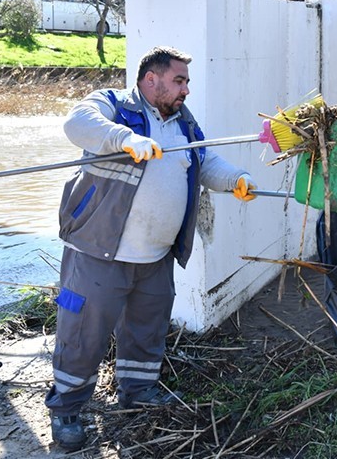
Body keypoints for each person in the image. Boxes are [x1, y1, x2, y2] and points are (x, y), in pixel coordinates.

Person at [45, 46, 258, 451]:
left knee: (147, 330)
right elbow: (77, 123)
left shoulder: (183, 122)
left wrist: (235, 179)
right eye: (179, 81)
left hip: (156, 257)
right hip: (100, 251)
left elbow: (202, 160)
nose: (186, 90)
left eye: (187, 82)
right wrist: (123, 138)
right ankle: (67, 408)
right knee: (83, 333)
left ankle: (137, 391)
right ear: (151, 80)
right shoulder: (113, 105)